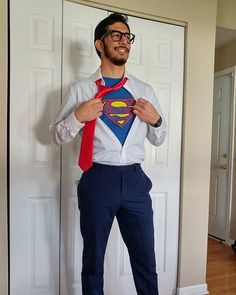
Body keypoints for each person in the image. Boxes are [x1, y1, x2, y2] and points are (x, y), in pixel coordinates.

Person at [51, 12, 167, 295]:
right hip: (97, 180)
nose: (124, 41)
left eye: (127, 36)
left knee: (145, 261)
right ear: (99, 44)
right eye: (116, 35)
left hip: (136, 182)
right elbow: (57, 135)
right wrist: (78, 115)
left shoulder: (144, 90)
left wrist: (157, 120)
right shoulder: (81, 91)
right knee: (93, 261)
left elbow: (160, 138)